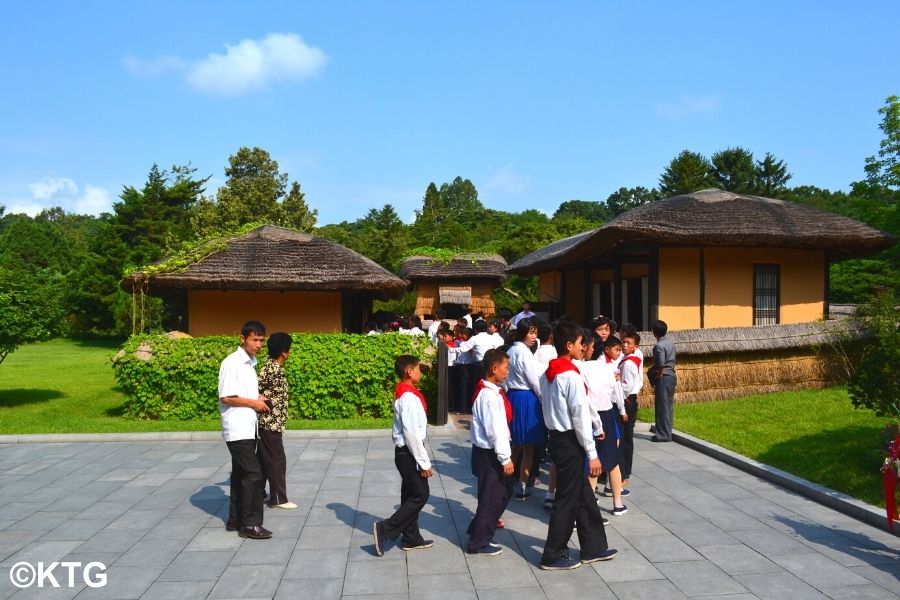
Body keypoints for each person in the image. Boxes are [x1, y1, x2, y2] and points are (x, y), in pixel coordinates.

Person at [538, 321, 617, 570]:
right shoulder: (569, 375)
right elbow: (579, 415)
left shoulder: (549, 373)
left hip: (558, 438)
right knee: (567, 499)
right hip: (570, 440)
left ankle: (593, 547)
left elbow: (579, 409)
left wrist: (597, 425)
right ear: (569, 345)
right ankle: (552, 554)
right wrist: (592, 453)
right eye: (582, 343)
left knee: (583, 494)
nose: (584, 347)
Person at [374, 355, 434, 556]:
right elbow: (411, 434)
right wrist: (424, 462)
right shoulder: (408, 398)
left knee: (409, 494)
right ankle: (386, 528)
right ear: (409, 371)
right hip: (408, 452)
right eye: (417, 369)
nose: (420, 372)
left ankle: (411, 538)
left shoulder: (407, 393)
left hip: (406, 452)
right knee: (420, 495)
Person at [219, 320, 273, 540]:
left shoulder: (251, 363)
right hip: (237, 427)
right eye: (254, 339)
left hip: (248, 427)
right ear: (242, 339)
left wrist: (257, 399)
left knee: (241, 474)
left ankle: (235, 519)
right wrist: (254, 404)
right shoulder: (232, 363)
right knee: (254, 474)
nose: (258, 344)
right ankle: (250, 524)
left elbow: (241, 393)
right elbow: (227, 397)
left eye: (261, 340)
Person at [467, 349, 515, 555]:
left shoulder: (491, 392)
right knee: (491, 497)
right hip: (490, 454)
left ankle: (480, 525)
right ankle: (479, 542)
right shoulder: (488, 396)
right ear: (494, 369)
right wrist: (505, 458)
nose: (507, 372)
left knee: (503, 491)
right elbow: (495, 430)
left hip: (489, 452)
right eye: (506, 368)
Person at [504, 320, 544, 501]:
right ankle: (521, 485)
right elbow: (534, 380)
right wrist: (543, 397)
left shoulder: (510, 350)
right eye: (531, 333)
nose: (534, 337)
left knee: (515, 444)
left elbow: (504, 378)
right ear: (523, 333)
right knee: (528, 446)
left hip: (512, 396)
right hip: (527, 397)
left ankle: (505, 481)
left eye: (535, 333)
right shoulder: (525, 353)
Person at [257, 332, 297, 510]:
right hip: (269, 423)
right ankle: (279, 498)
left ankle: (256, 491)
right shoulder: (273, 370)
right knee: (277, 459)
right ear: (284, 353)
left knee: (263, 459)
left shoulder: (270, 367)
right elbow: (253, 389)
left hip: (271, 422)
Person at [618, 330, 642, 484]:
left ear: (635, 346)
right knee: (627, 437)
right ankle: (625, 471)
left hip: (626, 401)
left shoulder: (627, 363)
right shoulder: (635, 359)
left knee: (625, 438)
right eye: (623, 342)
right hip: (632, 399)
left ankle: (624, 473)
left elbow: (626, 388)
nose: (625, 345)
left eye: (629, 343)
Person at [649, 320, 676, 442]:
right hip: (671, 375)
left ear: (654, 332)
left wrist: (659, 375)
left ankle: (662, 435)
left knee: (661, 407)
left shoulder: (659, 346)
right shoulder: (670, 343)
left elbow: (660, 363)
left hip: (663, 376)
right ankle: (667, 432)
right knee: (668, 406)